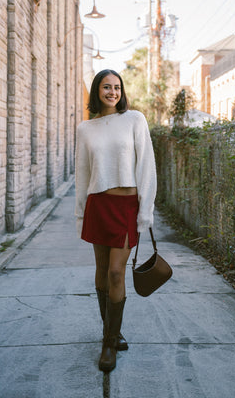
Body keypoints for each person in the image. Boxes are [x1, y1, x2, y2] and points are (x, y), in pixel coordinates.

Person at [75, 69, 157, 372]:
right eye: (107, 87)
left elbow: (147, 165)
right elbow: (82, 173)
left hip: (125, 206)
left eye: (117, 87)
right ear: (97, 91)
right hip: (98, 205)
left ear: (122, 91)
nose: (112, 92)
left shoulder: (134, 119)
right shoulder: (85, 129)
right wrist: (80, 213)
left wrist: (145, 211)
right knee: (100, 270)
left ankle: (109, 345)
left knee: (114, 273)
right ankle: (111, 332)